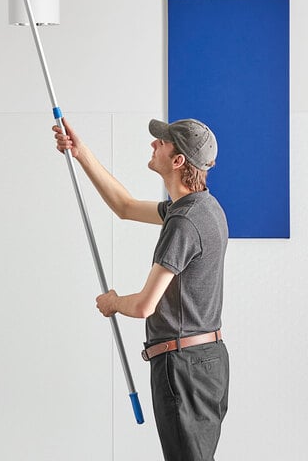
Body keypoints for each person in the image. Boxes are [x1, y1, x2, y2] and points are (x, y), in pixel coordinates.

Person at [53, 117, 229, 461]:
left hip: (182, 368)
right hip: (207, 362)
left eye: (161, 143)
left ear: (178, 161)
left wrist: (113, 302)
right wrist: (81, 152)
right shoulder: (204, 208)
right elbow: (125, 207)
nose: (154, 145)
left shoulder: (184, 221)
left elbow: (144, 306)